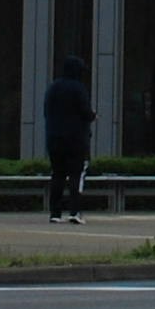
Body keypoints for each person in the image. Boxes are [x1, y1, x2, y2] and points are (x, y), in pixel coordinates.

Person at [42, 58, 95, 223]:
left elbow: (46, 112)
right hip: (76, 139)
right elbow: (86, 112)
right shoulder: (78, 88)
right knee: (76, 175)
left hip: (54, 138)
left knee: (57, 174)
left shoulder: (53, 88)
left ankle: (55, 214)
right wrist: (93, 115)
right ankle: (75, 211)